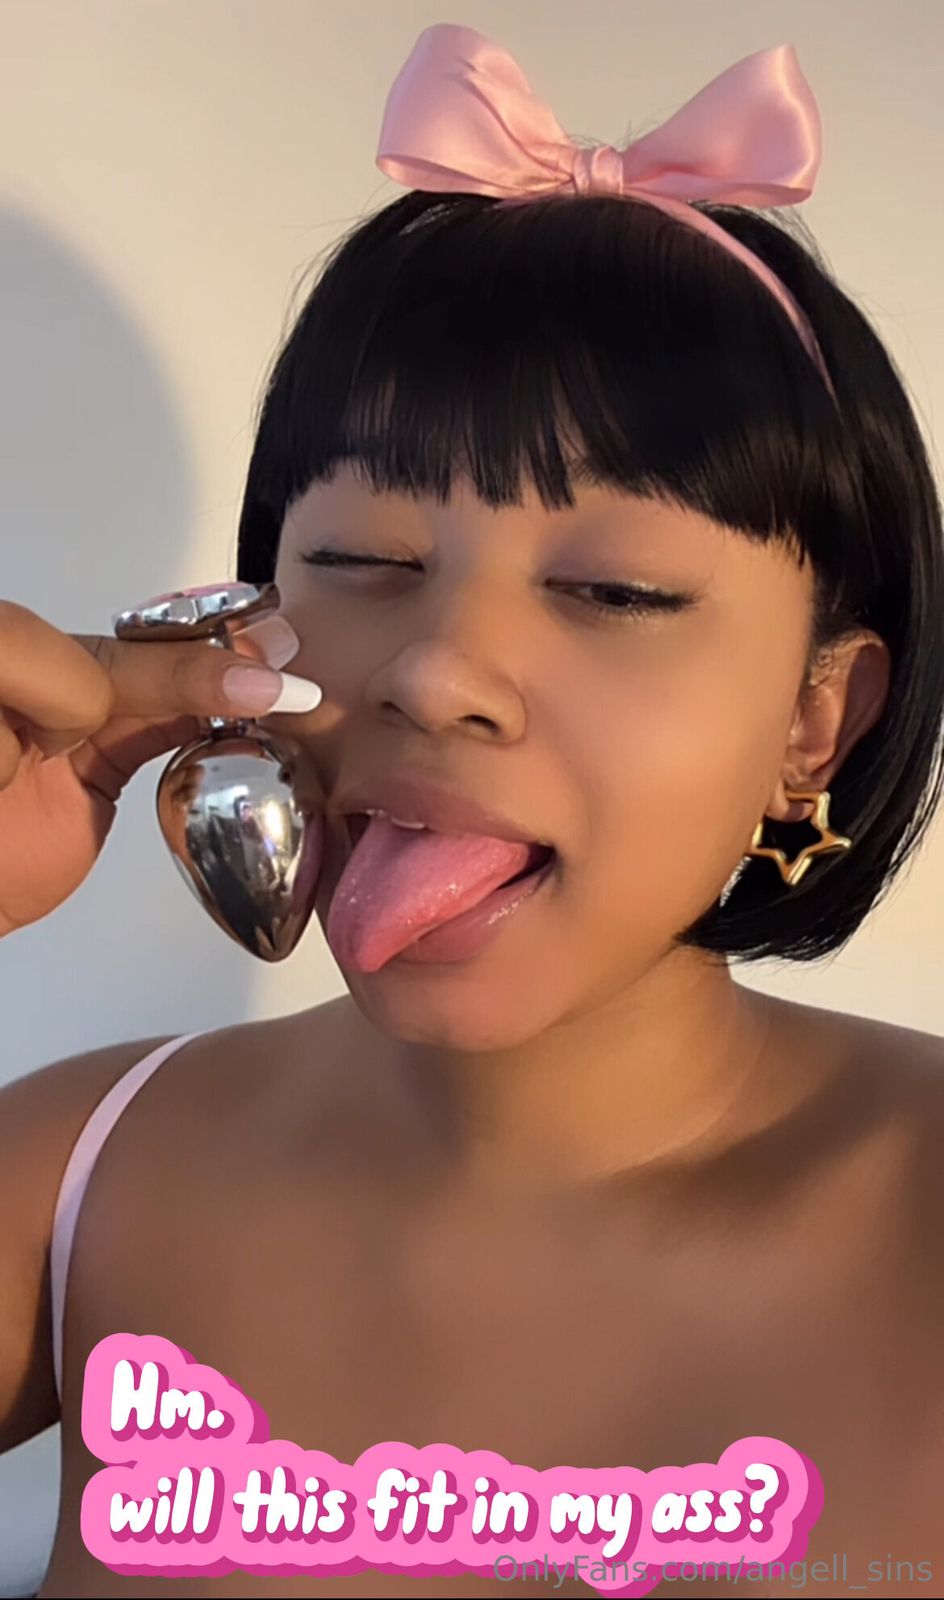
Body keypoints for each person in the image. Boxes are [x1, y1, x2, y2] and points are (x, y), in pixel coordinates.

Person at [3, 32, 944, 1600]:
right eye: (365, 562)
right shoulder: (70, 1176)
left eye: (615, 590)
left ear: (814, 720)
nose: (438, 674)